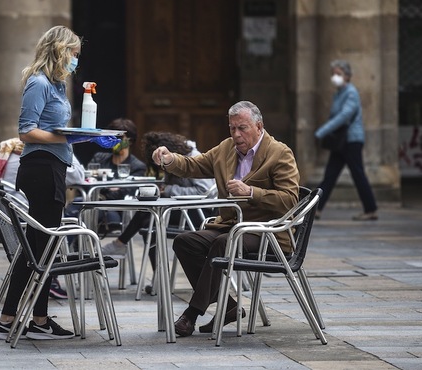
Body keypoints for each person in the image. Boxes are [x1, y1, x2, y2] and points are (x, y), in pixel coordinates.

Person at [0, 25, 118, 341]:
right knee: (43, 246)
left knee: (37, 246)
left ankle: (16, 318)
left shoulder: (57, 85)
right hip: (41, 168)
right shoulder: (38, 83)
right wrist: (67, 135)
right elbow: (26, 131)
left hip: (53, 166)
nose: (76, 60)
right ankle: (35, 319)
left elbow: (52, 128)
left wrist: (79, 134)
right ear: (60, 51)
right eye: (74, 54)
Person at [152, 101, 299, 337]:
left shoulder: (279, 153)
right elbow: (192, 166)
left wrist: (251, 192)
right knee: (185, 241)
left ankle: (191, 314)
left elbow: (290, 199)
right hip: (231, 226)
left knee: (223, 243)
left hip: (267, 233)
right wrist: (169, 159)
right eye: (232, 128)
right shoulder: (225, 149)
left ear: (259, 126)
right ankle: (230, 308)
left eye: (242, 128)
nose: (236, 134)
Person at [0, 136, 86, 299]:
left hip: (7, 219)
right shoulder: (47, 153)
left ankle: (14, 316)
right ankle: (51, 278)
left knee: (58, 225)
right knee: (70, 224)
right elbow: (78, 176)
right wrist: (66, 144)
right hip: (29, 219)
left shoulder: (10, 149)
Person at [100, 131, 215, 262]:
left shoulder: (193, 157)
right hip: (180, 209)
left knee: (149, 218)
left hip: (198, 212)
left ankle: (120, 244)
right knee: (148, 220)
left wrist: (168, 189)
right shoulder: (171, 161)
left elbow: (204, 191)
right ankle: (157, 276)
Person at [315, 59, 378, 221]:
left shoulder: (351, 92)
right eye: (333, 74)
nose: (335, 77)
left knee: (357, 174)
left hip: (351, 141)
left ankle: (370, 209)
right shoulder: (339, 93)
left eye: (339, 74)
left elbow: (344, 116)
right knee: (330, 175)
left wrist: (322, 131)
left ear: (348, 76)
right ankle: (316, 209)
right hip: (341, 142)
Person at [86, 118, 147, 234]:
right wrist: (110, 189)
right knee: (76, 209)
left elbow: (124, 193)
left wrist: (101, 191)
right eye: (110, 137)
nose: (114, 141)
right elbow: (87, 183)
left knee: (88, 213)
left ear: (130, 141)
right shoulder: (99, 158)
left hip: (117, 212)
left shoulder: (137, 166)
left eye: (118, 138)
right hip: (91, 205)